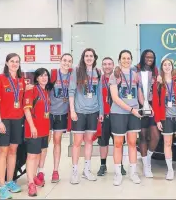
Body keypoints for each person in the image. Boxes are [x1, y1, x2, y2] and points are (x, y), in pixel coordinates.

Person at [152, 58, 176, 181]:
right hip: (166, 118)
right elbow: (155, 102)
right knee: (167, 143)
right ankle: (170, 170)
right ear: (162, 67)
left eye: (169, 64)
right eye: (165, 65)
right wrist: (158, 120)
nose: (167, 67)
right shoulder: (158, 83)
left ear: (172, 67)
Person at [68, 48, 104, 184]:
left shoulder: (98, 73)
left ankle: (87, 170)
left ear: (94, 58)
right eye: (86, 56)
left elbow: (99, 93)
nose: (89, 58)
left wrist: (101, 112)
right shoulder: (77, 71)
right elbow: (71, 92)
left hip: (93, 111)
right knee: (77, 143)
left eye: (91, 56)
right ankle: (75, 171)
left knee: (89, 141)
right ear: (83, 58)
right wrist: (72, 110)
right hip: (79, 111)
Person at [0, 53, 25, 199]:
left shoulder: (21, 80)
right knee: (2, 151)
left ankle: (10, 180)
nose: (14, 64)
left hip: (17, 120)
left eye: (17, 61)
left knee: (13, 150)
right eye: (12, 61)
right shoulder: (0, 79)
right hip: (4, 120)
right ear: (6, 63)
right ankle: (1, 186)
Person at [109, 50, 144, 186]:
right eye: (123, 58)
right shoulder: (115, 75)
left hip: (134, 112)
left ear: (131, 60)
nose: (126, 60)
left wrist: (146, 105)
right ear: (119, 60)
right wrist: (131, 110)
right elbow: (115, 98)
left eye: (128, 58)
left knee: (132, 143)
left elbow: (139, 94)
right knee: (118, 143)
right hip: (119, 113)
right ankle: (118, 174)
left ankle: (133, 172)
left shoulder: (135, 75)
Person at [23, 68, 53, 197]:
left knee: (41, 153)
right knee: (32, 156)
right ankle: (30, 183)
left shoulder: (46, 91)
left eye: (46, 75)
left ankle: (35, 176)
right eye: (41, 76)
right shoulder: (32, 90)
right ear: (36, 78)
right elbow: (27, 109)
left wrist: (49, 129)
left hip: (44, 129)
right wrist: (32, 126)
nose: (44, 78)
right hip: (33, 129)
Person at [96, 57, 127, 176]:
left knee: (118, 142)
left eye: (109, 64)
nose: (107, 66)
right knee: (103, 142)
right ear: (102, 66)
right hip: (103, 116)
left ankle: (120, 165)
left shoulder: (119, 78)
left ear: (113, 65)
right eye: (105, 64)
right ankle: (103, 165)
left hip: (117, 115)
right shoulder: (99, 79)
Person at [49, 53, 73, 183]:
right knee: (44, 143)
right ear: (60, 61)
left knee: (57, 141)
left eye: (69, 61)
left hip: (62, 114)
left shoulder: (72, 76)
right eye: (64, 60)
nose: (66, 63)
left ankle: (55, 170)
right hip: (49, 113)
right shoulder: (52, 74)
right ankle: (39, 170)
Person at [135, 49, 160, 178]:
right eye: (147, 56)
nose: (149, 59)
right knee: (143, 136)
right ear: (143, 57)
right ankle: (146, 165)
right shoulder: (137, 70)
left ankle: (148, 157)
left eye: (151, 57)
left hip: (154, 106)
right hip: (141, 106)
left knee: (155, 136)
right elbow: (138, 89)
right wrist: (144, 104)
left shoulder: (156, 72)